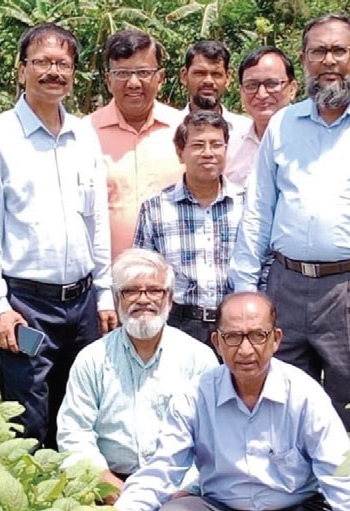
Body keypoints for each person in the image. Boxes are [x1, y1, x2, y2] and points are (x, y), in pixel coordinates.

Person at [105, 292, 350, 511]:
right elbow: (163, 468)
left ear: (276, 339)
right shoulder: (196, 396)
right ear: (217, 342)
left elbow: (340, 472)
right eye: (233, 337)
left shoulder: (304, 395)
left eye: (257, 336)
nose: (245, 349)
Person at [229, 14, 350, 431]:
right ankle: (287, 492)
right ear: (304, 60)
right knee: (278, 399)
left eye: (339, 50)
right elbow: (258, 212)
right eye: (318, 51)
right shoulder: (284, 124)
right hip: (285, 283)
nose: (329, 61)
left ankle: (345, 494)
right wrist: (246, 292)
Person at [0, 23, 115, 449]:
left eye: (63, 64)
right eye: (42, 62)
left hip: (84, 302)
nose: (53, 72)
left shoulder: (84, 135)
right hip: (25, 304)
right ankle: (33, 504)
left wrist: (104, 293)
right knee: (28, 418)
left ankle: (81, 505)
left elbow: (97, 220)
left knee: (83, 411)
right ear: (21, 71)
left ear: (73, 74)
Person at [57, 248, 217, 511]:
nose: (143, 299)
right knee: (73, 507)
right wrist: (107, 483)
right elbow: (74, 433)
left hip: (176, 487)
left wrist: (178, 492)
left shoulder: (198, 359)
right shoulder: (92, 359)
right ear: (117, 299)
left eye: (154, 290)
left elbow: (214, 442)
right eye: (132, 291)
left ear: (170, 299)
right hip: (109, 482)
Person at [133, 111, 244, 346]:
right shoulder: (156, 208)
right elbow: (142, 276)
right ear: (180, 152)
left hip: (234, 324)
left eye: (216, 145)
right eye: (198, 145)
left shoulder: (246, 205)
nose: (208, 153)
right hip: (179, 324)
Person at [88, 30, 184, 259]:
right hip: (105, 279)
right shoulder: (84, 134)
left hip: (173, 276)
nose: (133, 83)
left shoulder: (184, 130)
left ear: (160, 78)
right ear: (108, 80)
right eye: (122, 73)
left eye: (143, 72)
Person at [225, 46, 298, 187]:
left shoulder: (313, 141)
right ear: (241, 91)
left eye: (272, 84)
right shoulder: (230, 148)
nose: (262, 94)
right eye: (251, 85)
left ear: (292, 89)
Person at [179, 40, 250, 144]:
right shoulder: (168, 130)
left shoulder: (246, 132)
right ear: (184, 76)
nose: (208, 81)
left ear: (228, 78)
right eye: (200, 73)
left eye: (216, 74)